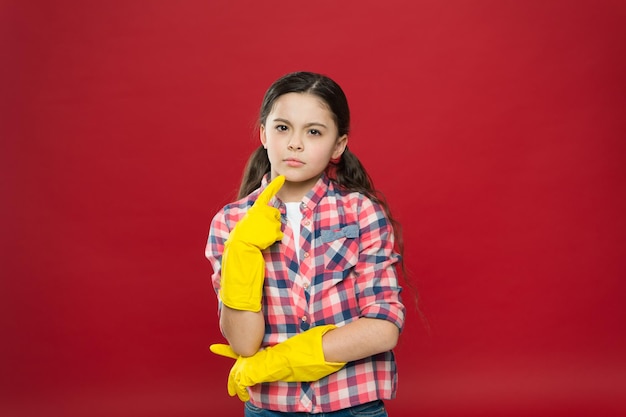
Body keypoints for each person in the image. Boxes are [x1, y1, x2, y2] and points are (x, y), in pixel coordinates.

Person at [205, 71, 406, 416]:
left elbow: (383, 327)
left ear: (338, 146)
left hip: (352, 406)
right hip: (271, 409)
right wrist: (242, 251)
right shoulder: (231, 222)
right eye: (283, 128)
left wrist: (282, 360)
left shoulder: (361, 213)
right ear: (264, 133)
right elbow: (243, 343)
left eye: (313, 132)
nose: (295, 143)